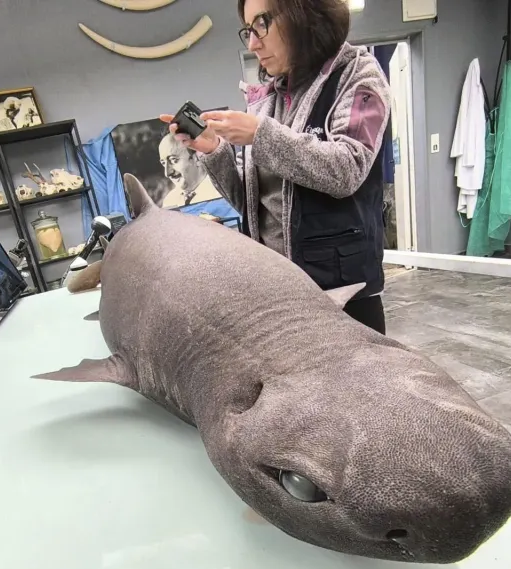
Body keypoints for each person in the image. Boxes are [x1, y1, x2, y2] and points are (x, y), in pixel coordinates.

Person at [162, 0, 391, 333]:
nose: (253, 43)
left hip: (345, 297)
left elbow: (348, 169)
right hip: (278, 295)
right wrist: (213, 149)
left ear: (304, 14)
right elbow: (251, 205)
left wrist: (260, 135)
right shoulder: (268, 99)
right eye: (248, 31)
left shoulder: (358, 76)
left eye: (262, 24)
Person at [157, 133, 222, 208]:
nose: (167, 173)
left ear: (197, 158)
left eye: (173, 160)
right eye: (163, 163)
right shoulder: (170, 201)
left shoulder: (222, 193)